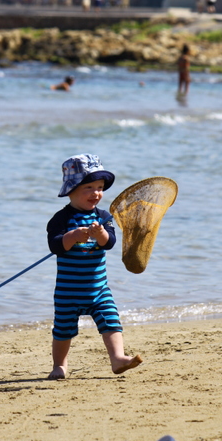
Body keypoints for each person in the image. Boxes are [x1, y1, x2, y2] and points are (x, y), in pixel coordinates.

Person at [47, 153, 142, 380]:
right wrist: (73, 236)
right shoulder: (61, 219)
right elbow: (55, 246)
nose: (96, 193)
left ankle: (117, 358)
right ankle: (60, 365)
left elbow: (109, 243)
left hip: (98, 289)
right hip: (67, 292)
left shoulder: (104, 217)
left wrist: (100, 234)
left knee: (111, 321)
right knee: (62, 331)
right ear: (71, 190)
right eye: (88, 187)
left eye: (100, 187)